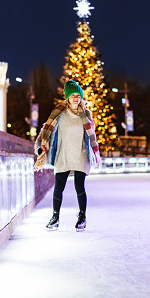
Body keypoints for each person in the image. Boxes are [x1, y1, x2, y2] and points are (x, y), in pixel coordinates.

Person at [34, 80, 101, 232]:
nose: (76, 98)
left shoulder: (86, 114)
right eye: (73, 95)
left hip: (81, 154)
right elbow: (46, 131)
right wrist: (41, 148)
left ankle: (82, 217)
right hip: (62, 155)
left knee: (79, 186)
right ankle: (55, 216)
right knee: (59, 187)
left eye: (78, 95)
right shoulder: (59, 113)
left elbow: (92, 136)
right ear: (67, 97)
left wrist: (94, 151)